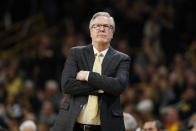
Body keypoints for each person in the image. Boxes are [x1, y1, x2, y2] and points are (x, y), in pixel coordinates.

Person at [52, 12, 130, 131]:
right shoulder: (76, 53)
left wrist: (88, 76)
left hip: (105, 126)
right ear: (90, 32)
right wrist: (104, 86)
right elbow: (67, 85)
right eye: (97, 26)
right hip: (72, 125)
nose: (101, 29)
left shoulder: (122, 59)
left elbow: (118, 86)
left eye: (106, 26)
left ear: (112, 33)